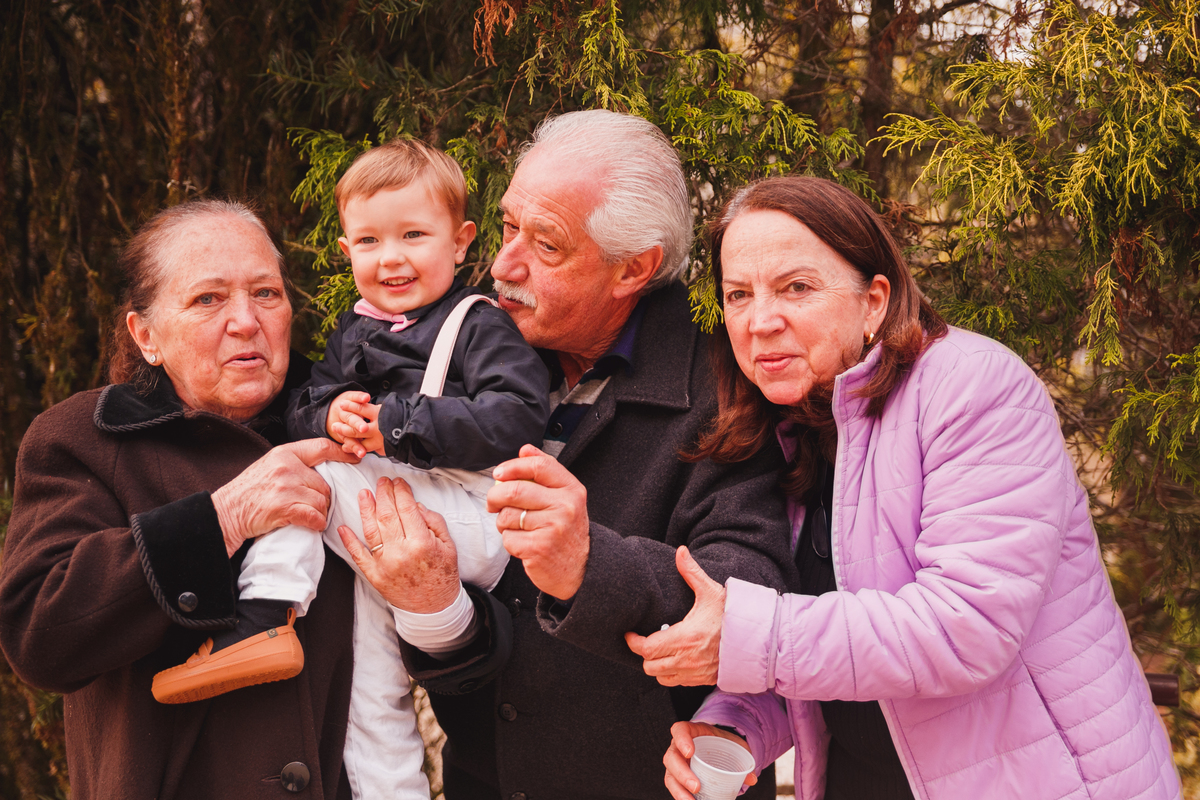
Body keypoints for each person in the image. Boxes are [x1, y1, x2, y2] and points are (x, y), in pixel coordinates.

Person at [625, 176, 1183, 800]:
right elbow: (833, 657)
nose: (759, 321)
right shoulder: (790, 432)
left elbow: (967, 625)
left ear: (874, 301)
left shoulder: (972, 386)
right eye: (737, 295)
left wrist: (746, 635)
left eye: (797, 287)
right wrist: (735, 726)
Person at [331, 109, 800, 800]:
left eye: (544, 244)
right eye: (507, 226)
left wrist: (589, 564)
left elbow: (748, 599)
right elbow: (470, 655)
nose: (502, 264)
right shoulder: (461, 353)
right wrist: (431, 608)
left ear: (632, 269)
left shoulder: (726, 387)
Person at [149, 141, 550, 798]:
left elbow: (517, 415)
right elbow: (302, 408)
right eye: (368, 240)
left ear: (459, 241)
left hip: (473, 516)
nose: (390, 257)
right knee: (372, 685)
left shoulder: (478, 325)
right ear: (346, 252)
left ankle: (266, 612)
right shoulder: (355, 332)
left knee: (306, 476)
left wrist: (395, 424)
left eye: (413, 235)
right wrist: (329, 415)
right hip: (382, 522)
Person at [0, 199, 369, 799]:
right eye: (208, 298)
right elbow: (39, 635)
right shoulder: (83, 441)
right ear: (146, 334)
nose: (246, 321)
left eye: (266, 293)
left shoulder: (357, 426)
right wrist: (224, 517)